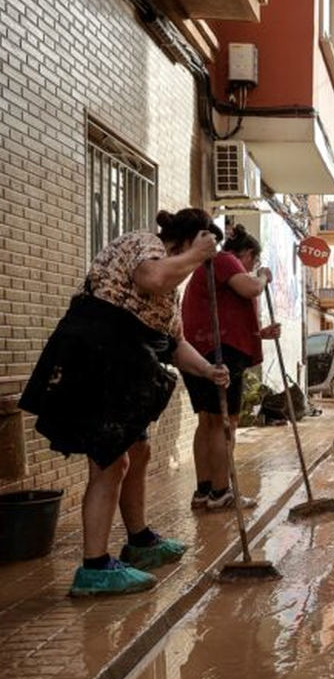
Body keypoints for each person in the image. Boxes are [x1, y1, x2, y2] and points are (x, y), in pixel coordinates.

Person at [19, 209, 229, 596]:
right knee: (110, 462)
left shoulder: (171, 290)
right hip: (94, 355)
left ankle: (140, 542)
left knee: (140, 449)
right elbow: (151, 276)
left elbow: (176, 343)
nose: (188, 268)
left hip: (124, 365)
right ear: (182, 243)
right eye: (191, 254)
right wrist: (197, 256)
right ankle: (94, 567)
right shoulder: (145, 244)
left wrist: (208, 370)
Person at [181, 225, 279, 509]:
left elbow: (223, 317)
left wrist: (259, 333)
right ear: (247, 254)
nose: (251, 268)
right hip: (218, 354)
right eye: (253, 262)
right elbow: (251, 288)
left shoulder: (210, 268)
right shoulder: (225, 260)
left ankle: (205, 491)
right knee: (226, 424)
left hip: (198, 352)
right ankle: (222, 492)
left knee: (208, 421)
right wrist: (262, 276)